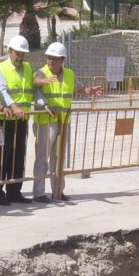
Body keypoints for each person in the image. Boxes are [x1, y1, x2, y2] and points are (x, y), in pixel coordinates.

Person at [31, 41, 93, 202]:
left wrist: (87, 90)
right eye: (49, 57)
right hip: (45, 121)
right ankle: (39, 193)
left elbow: (77, 88)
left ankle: (58, 190)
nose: (50, 60)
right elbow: (35, 83)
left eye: (54, 58)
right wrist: (44, 83)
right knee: (42, 157)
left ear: (62, 60)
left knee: (58, 157)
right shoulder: (42, 72)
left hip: (63, 121)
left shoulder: (70, 74)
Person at [0, 35, 34, 205]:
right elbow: (1, 91)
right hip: (3, 117)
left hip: (21, 118)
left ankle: (15, 191)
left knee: (18, 154)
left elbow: (31, 88)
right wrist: (13, 106)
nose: (20, 57)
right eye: (17, 53)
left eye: (23, 54)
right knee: (2, 155)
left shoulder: (28, 68)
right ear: (9, 51)